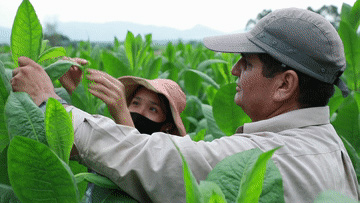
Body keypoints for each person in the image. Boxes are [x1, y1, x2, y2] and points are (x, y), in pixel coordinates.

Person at [11, 8, 360, 203]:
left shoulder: (275, 157)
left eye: (247, 63)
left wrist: (47, 104)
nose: (235, 70)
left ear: (285, 84)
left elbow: (155, 158)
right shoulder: (331, 147)